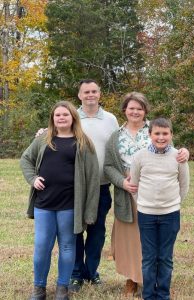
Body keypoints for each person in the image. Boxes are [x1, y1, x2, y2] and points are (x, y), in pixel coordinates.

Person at [104, 92, 189, 296]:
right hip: (129, 191)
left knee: (156, 245)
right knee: (131, 240)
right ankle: (132, 279)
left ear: (145, 111)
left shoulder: (156, 130)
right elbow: (108, 166)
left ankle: (159, 283)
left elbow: (174, 157)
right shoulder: (116, 136)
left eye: (139, 108)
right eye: (131, 108)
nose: (135, 112)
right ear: (124, 110)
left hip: (157, 194)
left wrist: (184, 152)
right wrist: (123, 182)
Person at [20, 101, 99, 300]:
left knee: (66, 246)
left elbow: (92, 179)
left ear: (73, 117)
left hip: (69, 206)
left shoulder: (83, 143)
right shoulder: (43, 139)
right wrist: (33, 178)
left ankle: (62, 288)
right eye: (57, 115)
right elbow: (26, 159)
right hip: (44, 204)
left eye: (65, 114)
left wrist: (89, 211)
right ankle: (39, 288)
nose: (61, 117)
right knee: (42, 246)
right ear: (53, 119)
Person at [130, 117, 189, 300]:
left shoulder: (178, 157)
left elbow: (184, 185)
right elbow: (134, 184)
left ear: (171, 135)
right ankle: (148, 295)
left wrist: (173, 203)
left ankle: (163, 294)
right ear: (150, 135)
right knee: (149, 258)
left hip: (170, 215)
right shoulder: (140, 156)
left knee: (165, 257)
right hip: (146, 214)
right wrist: (144, 203)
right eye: (157, 133)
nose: (161, 137)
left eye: (165, 133)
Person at [69, 79, 119, 291]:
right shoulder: (71, 117)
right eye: (86, 92)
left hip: (101, 186)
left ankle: (92, 272)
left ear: (100, 94)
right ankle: (76, 274)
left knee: (97, 232)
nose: (90, 95)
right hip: (75, 188)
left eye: (94, 91)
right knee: (75, 232)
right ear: (79, 95)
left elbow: (119, 147)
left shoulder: (110, 119)